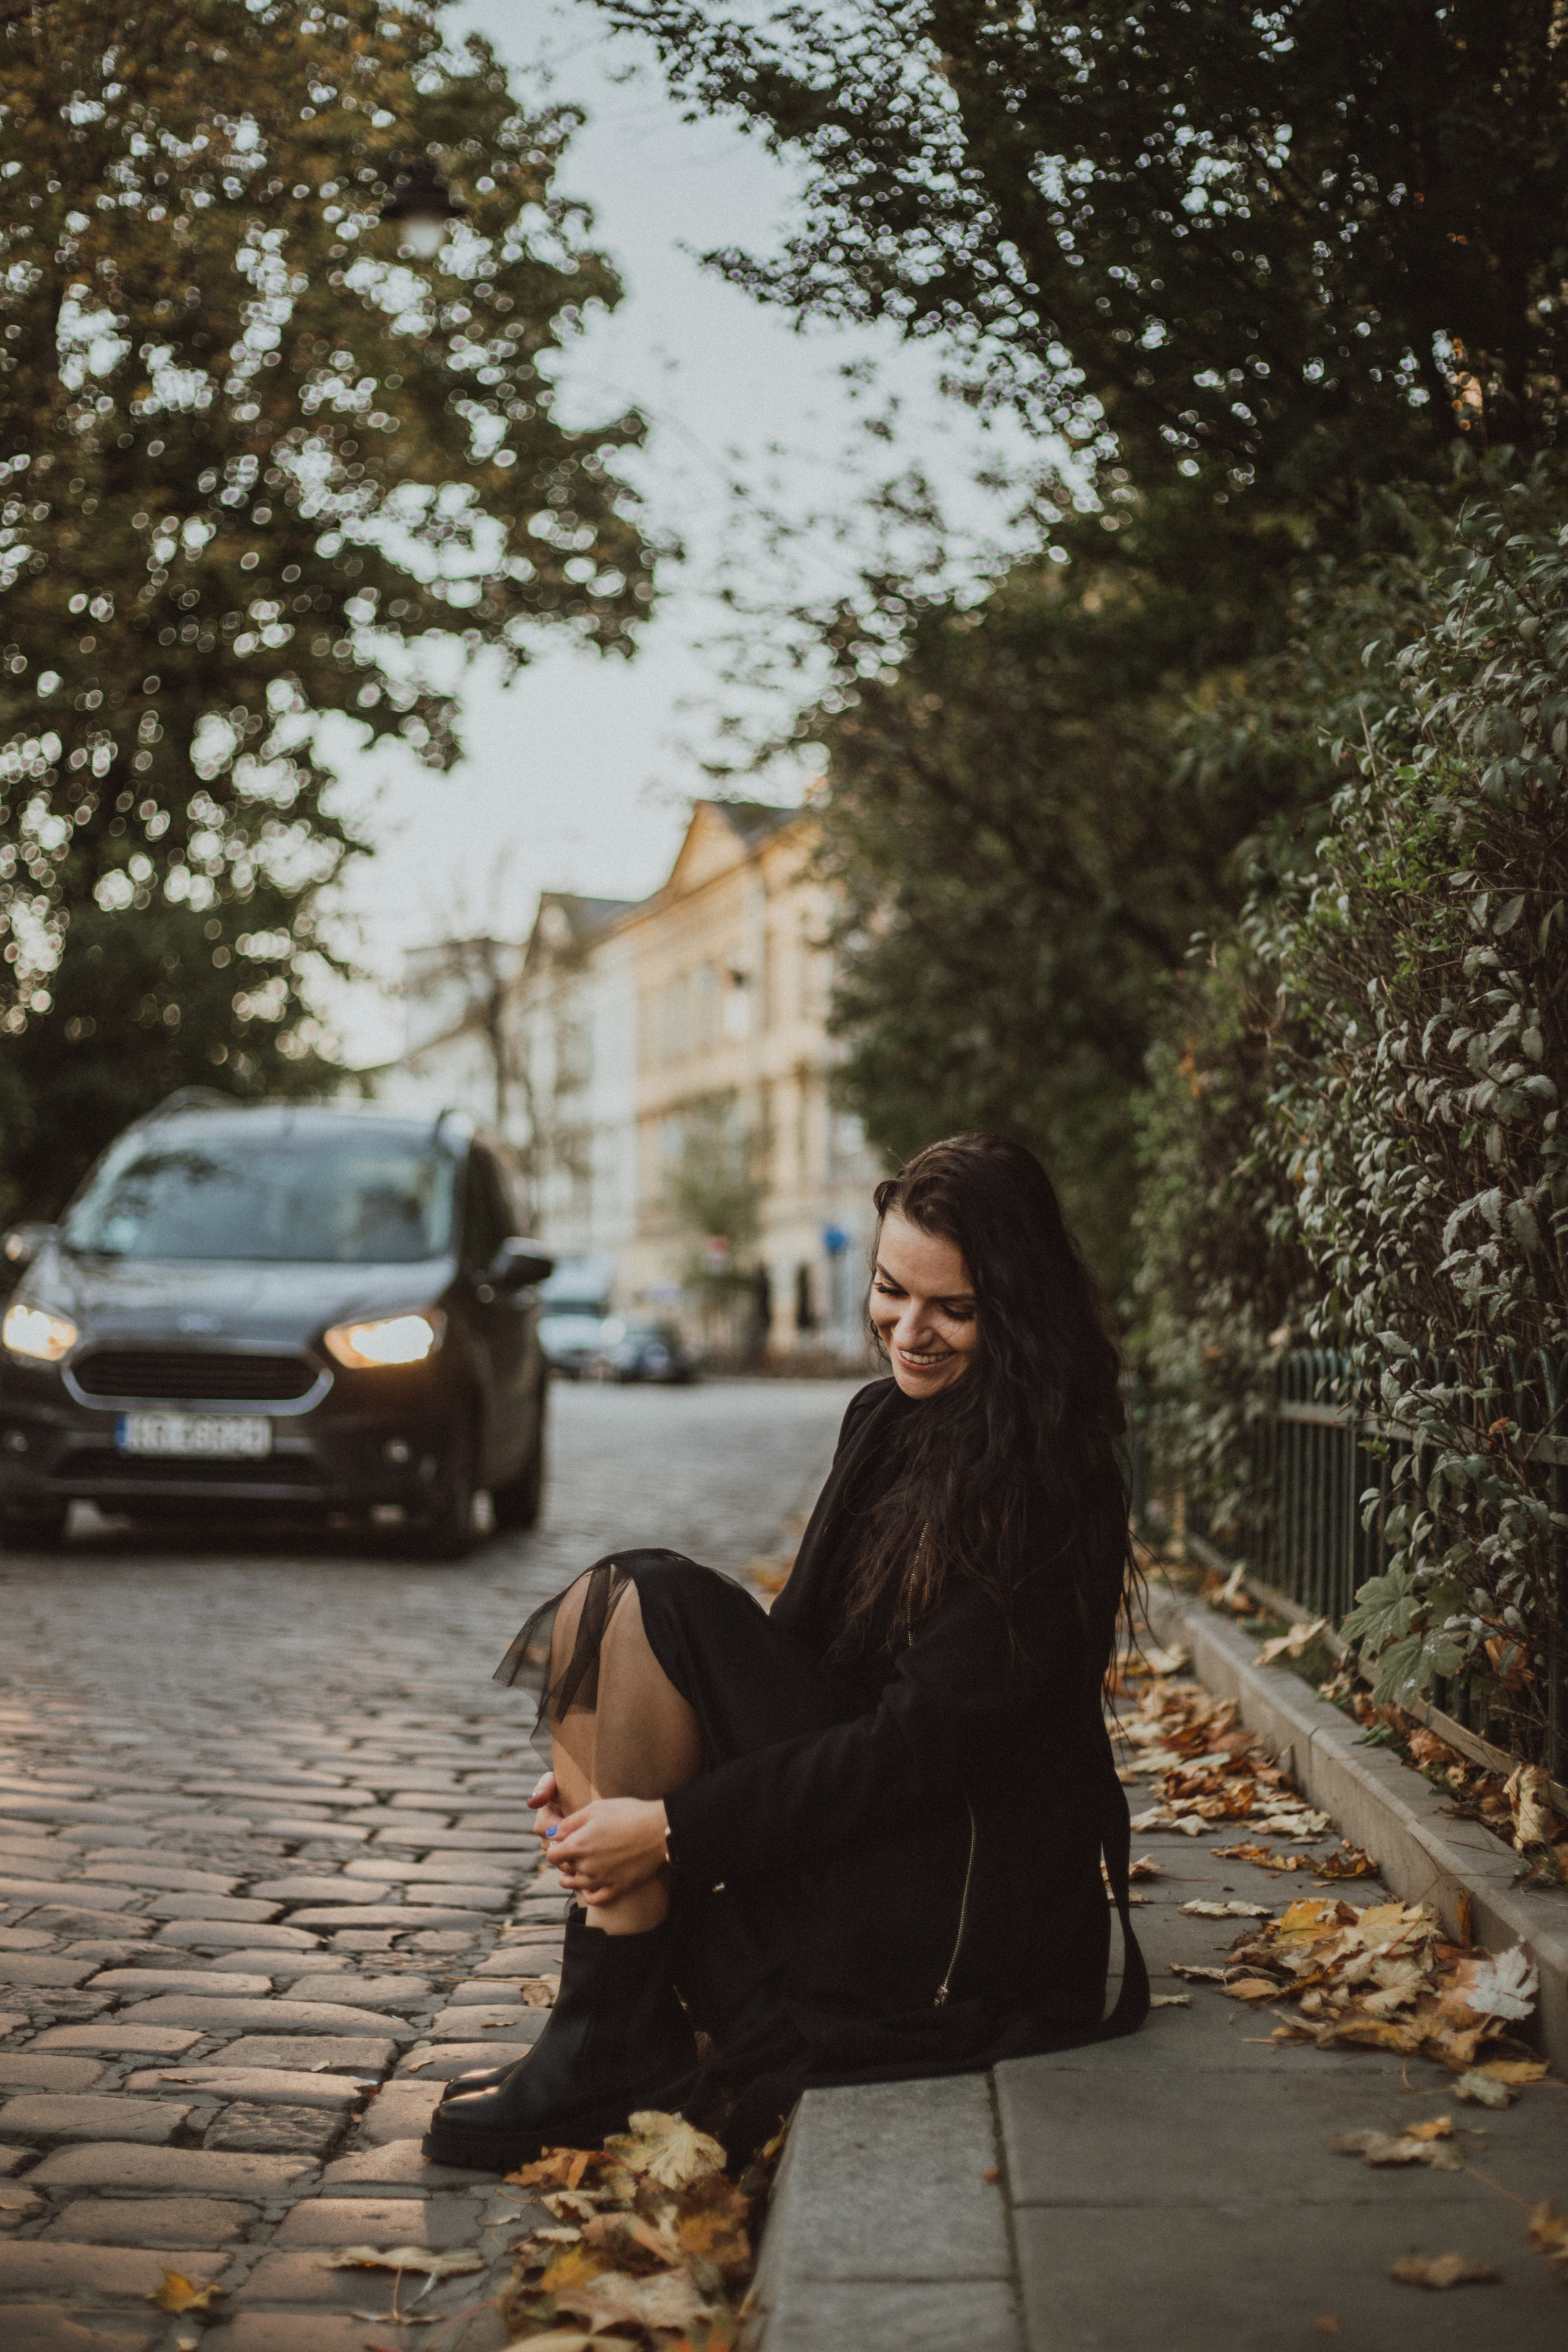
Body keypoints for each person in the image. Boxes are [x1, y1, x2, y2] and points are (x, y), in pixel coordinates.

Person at [423, 1133, 1148, 2172]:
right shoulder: (886, 1418)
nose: (912, 1330)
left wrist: (670, 1827)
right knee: (619, 1604)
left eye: (957, 1308)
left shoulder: (1043, 1480)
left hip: (967, 1910)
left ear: (1019, 1310)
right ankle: (606, 2037)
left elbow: (913, 1750)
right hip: (893, 1827)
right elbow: (793, 1651)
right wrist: (623, 1764)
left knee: (647, 1591)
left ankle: (606, 2045)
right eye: (893, 1291)